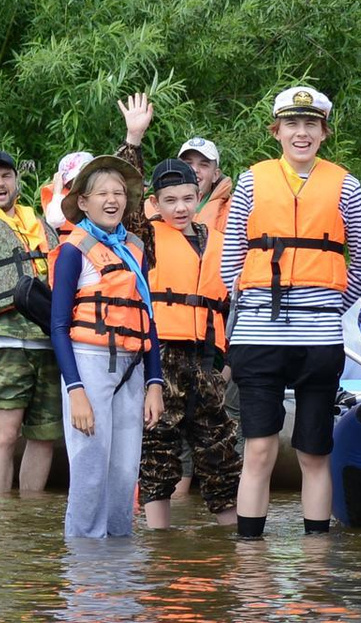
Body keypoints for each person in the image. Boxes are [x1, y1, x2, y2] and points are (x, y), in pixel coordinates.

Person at [222, 84, 361, 540]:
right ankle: (249, 553)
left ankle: (315, 557)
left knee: (313, 452)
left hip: (319, 339)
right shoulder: (251, 181)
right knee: (259, 450)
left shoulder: (345, 184)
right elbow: (230, 263)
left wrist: (331, 306)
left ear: (324, 132)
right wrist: (252, 304)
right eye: (292, 124)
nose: (301, 133)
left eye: (311, 124)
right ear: (277, 131)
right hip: (257, 336)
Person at [50, 156, 164, 541]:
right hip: (89, 365)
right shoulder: (73, 251)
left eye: (119, 193)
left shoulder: (134, 249)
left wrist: (155, 382)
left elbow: (147, 318)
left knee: (123, 473)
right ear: (83, 202)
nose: (113, 200)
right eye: (103, 193)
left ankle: (119, 581)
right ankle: (84, 577)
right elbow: (59, 326)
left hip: (131, 369)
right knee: (90, 468)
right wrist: (75, 390)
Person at [138, 156, 240, 529]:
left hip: (208, 359)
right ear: (155, 202)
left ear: (200, 195)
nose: (180, 208)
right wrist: (133, 140)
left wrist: (229, 364)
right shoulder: (143, 237)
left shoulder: (221, 242)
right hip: (160, 357)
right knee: (158, 450)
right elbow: (120, 192)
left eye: (187, 198)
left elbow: (237, 307)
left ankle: (235, 541)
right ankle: (159, 541)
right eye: (169, 200)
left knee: (220, 451)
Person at [0, 149, 61, 500]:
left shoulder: (41, 225)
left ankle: (31, 518)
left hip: (46, 341)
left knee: (44, 434)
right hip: (5, 342)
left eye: (6, 175)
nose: (1, 183)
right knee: (6, 435)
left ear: (16, 181)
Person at [177, 134, 231, 243]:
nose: (194, 169)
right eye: (188, 163)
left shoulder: (232, 210)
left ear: (215, 175)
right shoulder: (154, 207)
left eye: (203, 165)